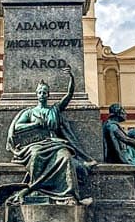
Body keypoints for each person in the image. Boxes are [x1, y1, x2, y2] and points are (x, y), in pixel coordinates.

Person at [7, 67, 94, 204]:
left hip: (54, 142)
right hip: (35, 144)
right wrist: (35, 125)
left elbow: (69, 95)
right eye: (40, 92)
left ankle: (68, 194)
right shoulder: (29, 112)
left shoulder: (55, 109)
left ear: (48, 95)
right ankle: (35, 188)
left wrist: (71, 77)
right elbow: (18, 126)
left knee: (65, 156)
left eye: (45, 92)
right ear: (37, 94)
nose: (42, 94)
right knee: (36, 155)